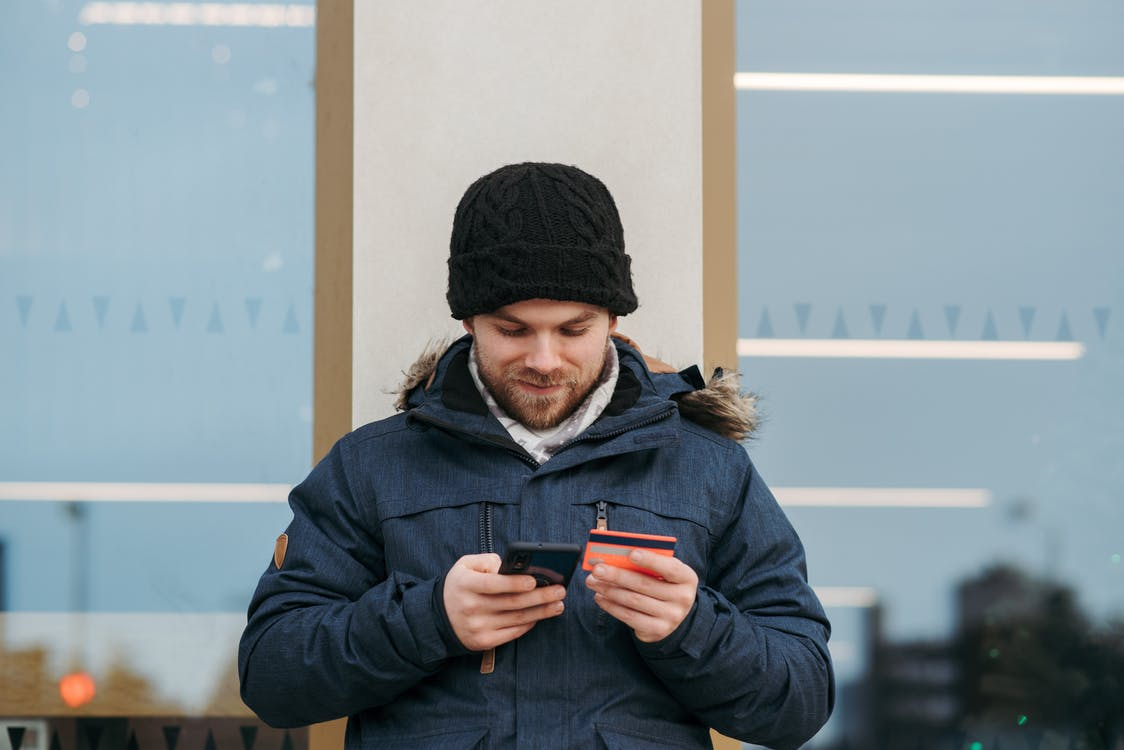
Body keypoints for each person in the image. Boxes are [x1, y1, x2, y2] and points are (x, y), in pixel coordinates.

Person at [238, 162, 833, 749]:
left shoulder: (709, 470)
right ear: (469, 320)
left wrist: (692, 627)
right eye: (514, 330)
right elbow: (272, 677)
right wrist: (427, 620)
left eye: (573, 329)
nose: (544, 360)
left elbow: (799, 704)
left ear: (613, 319)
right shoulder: (369, 466)